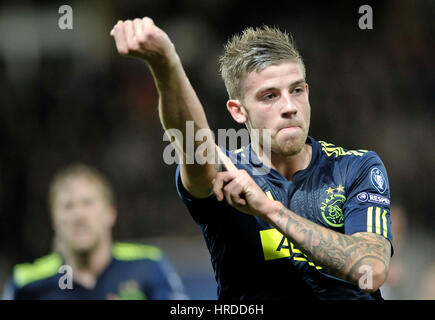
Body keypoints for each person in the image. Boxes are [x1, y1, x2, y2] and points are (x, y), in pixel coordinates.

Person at [110, 17, 393, 300]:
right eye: (269, 96)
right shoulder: (227, 176)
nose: (289, 107)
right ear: (238, 111)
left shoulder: (355, 167)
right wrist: (166, 64)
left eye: (296, 90)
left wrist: (269, 209)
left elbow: (370, 269)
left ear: (307, 92)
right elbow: (190, 141)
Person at [3, 163, 188, 300]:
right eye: (68, 206)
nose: (79, 215)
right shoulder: (27, 282)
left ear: (110, 214)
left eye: (88, 203)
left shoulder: (147, 265)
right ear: (54, 220)